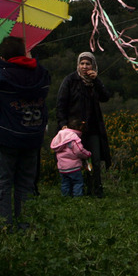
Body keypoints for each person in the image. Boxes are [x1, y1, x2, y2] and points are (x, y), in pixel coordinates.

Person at [0, 37, 49, 229]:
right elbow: (38, 70)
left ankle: (3, 226)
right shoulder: (41, 75)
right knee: (26, 184)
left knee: (3, 182)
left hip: (8, 137)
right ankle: (27, 227)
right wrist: (30, 59)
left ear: (1, 57)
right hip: (32, 136)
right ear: (23, 54)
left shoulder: (2, 77)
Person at [56, 52, 111, 197]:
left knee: (95, 160)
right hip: (73, 130)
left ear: (93, 65)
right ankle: (77, 191)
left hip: (93, 128)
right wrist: (63, 124)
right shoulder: (70, 80)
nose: (85, 67)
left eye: (88, 64)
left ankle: (96, 190)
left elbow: (105, 97)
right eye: (82, 64)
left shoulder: (94, 82)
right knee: (75, 162)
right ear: (78, 65)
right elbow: (61, 103)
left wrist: (96, 81)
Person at [49, 117, 91, 197]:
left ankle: (65, 197)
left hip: (62, 167)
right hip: (73, 166)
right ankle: (77, 197)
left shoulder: (61, 135)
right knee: (77, 182)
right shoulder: (73, 138)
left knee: (65, 183)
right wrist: (87, 154)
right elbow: (79, 150)